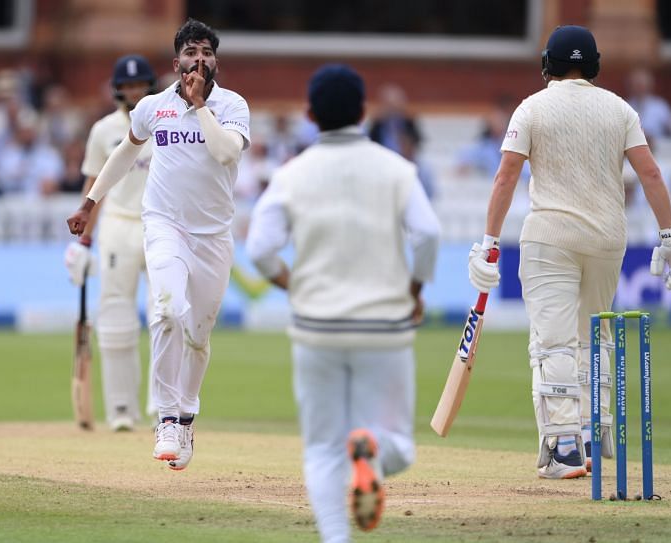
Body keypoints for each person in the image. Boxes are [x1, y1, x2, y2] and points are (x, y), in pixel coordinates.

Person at [468, 26, 671, 480]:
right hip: (608, 239)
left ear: (548, 63)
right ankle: (595, 433)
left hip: (550, 236)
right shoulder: (620, 108)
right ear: (594, 65)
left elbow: (506, 176)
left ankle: (565, 449)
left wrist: (489, 243)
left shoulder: (532, 107)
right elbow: (649, 173)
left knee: (552, 340)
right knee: (595, 334)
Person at [246, 65, 440, 541]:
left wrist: (294, 285)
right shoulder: (397, 169)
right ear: (363, 111)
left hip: (317, 326)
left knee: (322, 449)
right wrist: (414, 289)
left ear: (311, 115)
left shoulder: (292, 174)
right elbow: (429, 233)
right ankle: (375, 452)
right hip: (384, 325)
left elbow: (259, 249)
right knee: (400, 445)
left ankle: (336, 538)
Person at [67, 19, 250, 471]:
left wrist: (200, 105)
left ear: (216, 62)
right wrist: (90, 203)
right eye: (191, 52)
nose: (199, 59)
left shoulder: (231, 106)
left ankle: (187, 415)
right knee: (167, 310)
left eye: (206, 52)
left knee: (198, 335)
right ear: (176, 62)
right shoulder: (152, 107)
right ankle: (166, 418)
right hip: (164, 225)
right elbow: (126, 152)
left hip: (212, 235)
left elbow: (227, 153)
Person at [63, 54, 158, 431]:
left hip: (159, 224)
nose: (134, 91)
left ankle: (163, 411)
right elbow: (93, 186)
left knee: (164, 316)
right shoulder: (104, 130)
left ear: (149, 85)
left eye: (140, 84)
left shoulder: (165, 121)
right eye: (128, 85)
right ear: (118, 89)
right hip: (118, 225)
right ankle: (121, 409)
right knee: (117, 317)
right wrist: (84, 241)